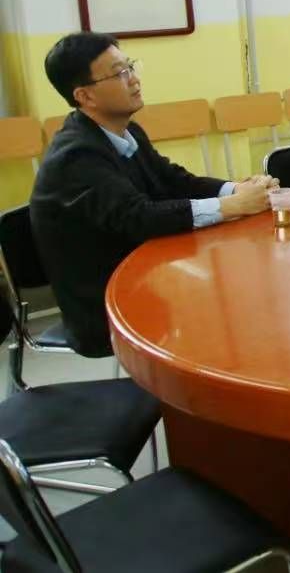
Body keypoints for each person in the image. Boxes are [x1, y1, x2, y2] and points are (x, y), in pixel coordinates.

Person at [30, 32, 276, 357]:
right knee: (227, 300)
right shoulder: (76, 157)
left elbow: (171, 180)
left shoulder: (126, 131)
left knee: (238, 288)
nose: (134, 79)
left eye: (130, 67)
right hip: (107, 307)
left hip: (146, 274)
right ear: (84, 96)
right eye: (119, 73)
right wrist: (231, 205)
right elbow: (139, 217)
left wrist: (235, 189)